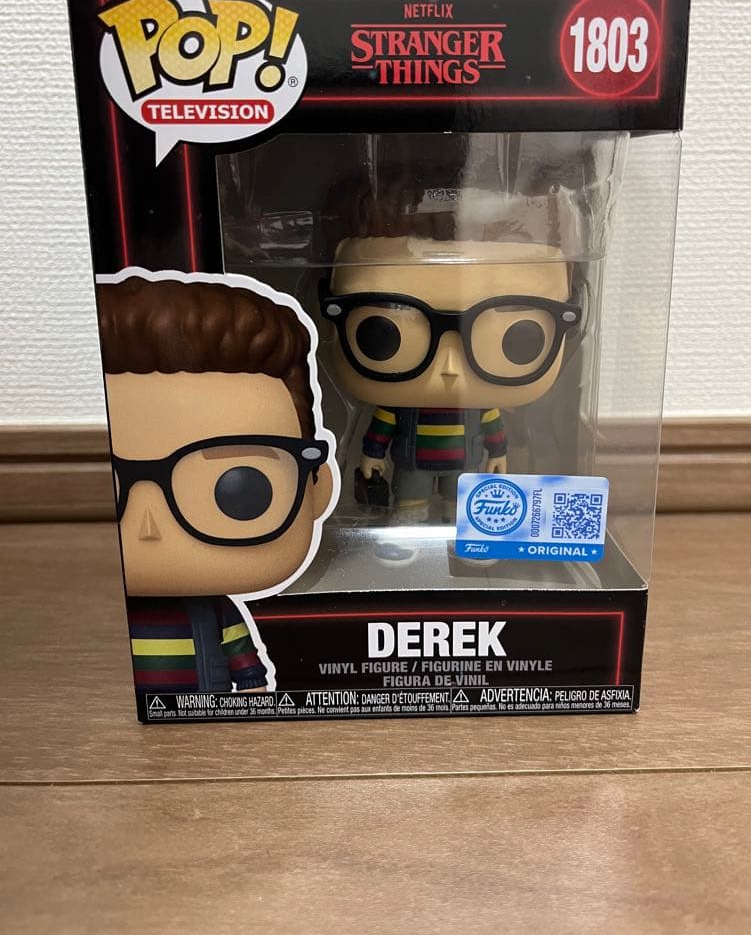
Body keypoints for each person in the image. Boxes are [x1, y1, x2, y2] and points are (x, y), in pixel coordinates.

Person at [319, 183, 580, 566]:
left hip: (464, 463)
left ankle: (469, 533)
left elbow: (492, 425)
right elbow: (382, 426)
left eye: (517, 337)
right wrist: (371, 455)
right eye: (383, 334)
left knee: (463, 501)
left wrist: (498, 454)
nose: (450, 369)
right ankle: (408, 531)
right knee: (410, 500)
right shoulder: (400, 406)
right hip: (413, 463)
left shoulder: (480, 408)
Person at [98, 274, 335, 693]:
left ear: (317, 488)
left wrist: (253, 698)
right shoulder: (96, 617)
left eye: (240, 490)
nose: (148, 528)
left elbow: (248, 670)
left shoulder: (217, 612)